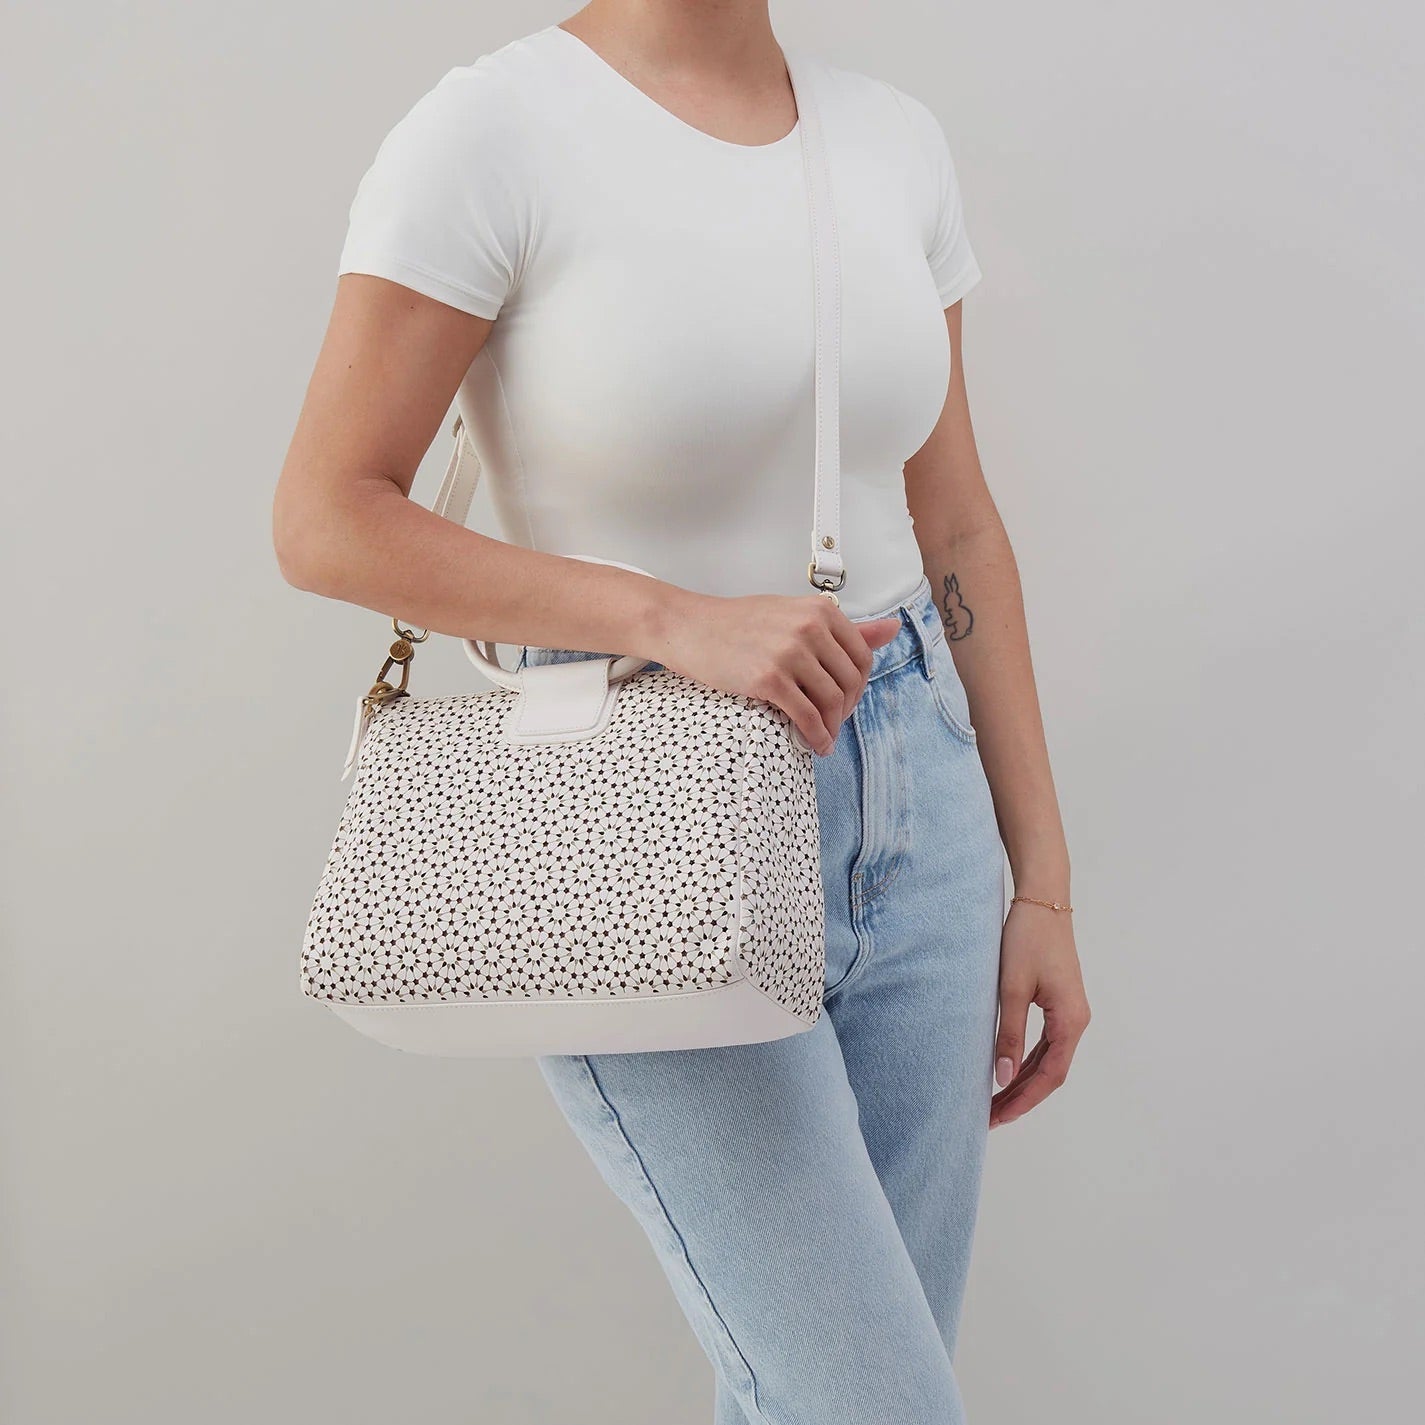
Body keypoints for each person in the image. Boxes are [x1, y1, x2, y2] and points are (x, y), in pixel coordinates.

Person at [273, 3, 1091, 1420]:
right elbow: (324, 516)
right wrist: (671, 619)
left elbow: (955, 521)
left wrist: (1043, 883)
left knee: (841, 1390)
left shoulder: (890, 140)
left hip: (920, 795)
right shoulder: (491, 133)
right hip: (636, 815)